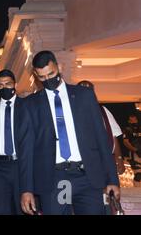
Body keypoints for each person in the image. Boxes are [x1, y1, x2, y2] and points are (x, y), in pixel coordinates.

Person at [20, 51, 120, 215]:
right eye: (42, 77)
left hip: (87, 177)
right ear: (36, 76)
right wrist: (26, 189)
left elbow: (102, 139)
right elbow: (27, 149)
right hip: (56, 179)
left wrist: (112, 179)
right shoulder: (31, 105)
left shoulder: (84, 96)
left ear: (59, 67)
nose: (48, 79)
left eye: (51, 74)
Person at [0, 69, 31, 215]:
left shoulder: (27, 107)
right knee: (1, 210)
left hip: (21, 166)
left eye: (8, 84)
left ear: (15, 84)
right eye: (1, 85)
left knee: (22, 209)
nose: (4, 88)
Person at [77, 81, 125, 174]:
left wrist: (119, 159)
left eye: (89, 90)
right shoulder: (70, 111)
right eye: (83, 90)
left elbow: (113, 136)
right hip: (80, 162)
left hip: (104, 160)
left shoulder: (103, 111)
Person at [123, 115, 141, 186]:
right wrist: (134, 149)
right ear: (129, 121)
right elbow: (125, 142)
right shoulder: (127, 129)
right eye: (131, 120)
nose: (133, 121)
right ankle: (137, 190)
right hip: (135, 153)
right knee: (138, 174)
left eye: (134, 120)